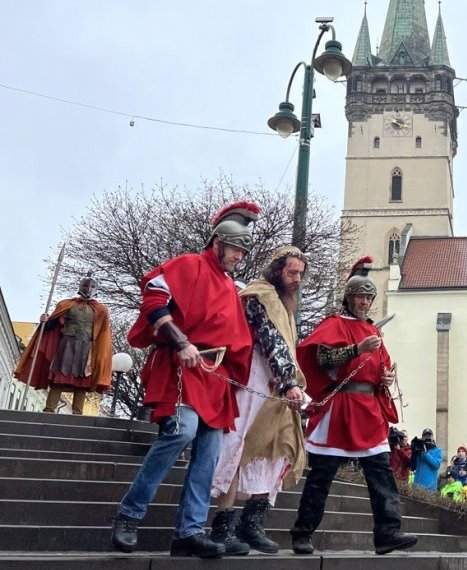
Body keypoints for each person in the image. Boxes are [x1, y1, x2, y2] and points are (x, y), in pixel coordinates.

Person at [110, 201, 258, 558]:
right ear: (219, 242)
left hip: (215, 376)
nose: (240, 256)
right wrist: (180, 341)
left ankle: (189, 532)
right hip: (182, 365)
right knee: (182, 431)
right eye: (236, 248)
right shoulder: (188, 264)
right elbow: (154, 298)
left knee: (209, 453)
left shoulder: (230, 287)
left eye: (243, 251)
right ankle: (129, 516)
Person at [290, 256, 417, 556]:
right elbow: (323, 360)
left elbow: (380, 366)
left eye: (369, 297)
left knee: (381, 474)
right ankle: (302, 533)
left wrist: (386, 377)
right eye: (360, 296)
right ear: (349, 298)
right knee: (321, 476)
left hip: (369, 408)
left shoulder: (373, 330)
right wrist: (356, 349)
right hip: (341, 405)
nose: (364, 302)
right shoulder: (334, 324)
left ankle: (388, 533)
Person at [208, 245, 309, 555]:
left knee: (277, 450)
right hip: (253, 380)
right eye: (292, 272)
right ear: (277, 269)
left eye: (300, 274)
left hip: (277, 388)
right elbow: (269, 339)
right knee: (241, 446)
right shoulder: (258, 295)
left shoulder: (286, 304)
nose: (297, 279)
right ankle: (222, 526)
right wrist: (288, 382)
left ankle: (251, 524)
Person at [15, 276, 113, 414]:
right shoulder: (66, 304)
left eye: (91, 286)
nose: (88, 289)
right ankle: (49, 409)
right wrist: (44, 321)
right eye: (85, 286)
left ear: (96, 289)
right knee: (58, 378)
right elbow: (52, 325)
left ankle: (77, 413)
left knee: (82, 381)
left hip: (87, 348)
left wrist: (100, 356)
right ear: (80, 287)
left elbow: (103, 334)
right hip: (66, 345)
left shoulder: (102, 310)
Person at [410, 428, 442, 492]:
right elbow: (412, 467)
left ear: (432, 438)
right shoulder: (419, 449)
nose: (427, 438)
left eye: (429, 436)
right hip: (416, 487)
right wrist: (414, 452)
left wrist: (425, 453)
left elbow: (436, 465)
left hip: (429, 489)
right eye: (425, 436)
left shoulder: (437, 450)